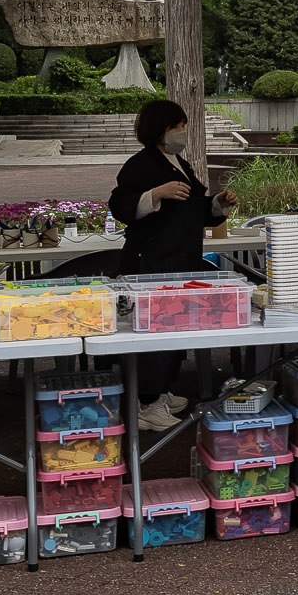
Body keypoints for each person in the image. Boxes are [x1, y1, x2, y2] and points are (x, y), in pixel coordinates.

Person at [108, 99, 238, 431]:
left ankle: (161, 391)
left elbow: (196, 208)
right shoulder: (139, 165)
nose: (182, 132)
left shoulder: (179, 161)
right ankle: (146, 403)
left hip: (181, 260)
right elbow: (121, 206)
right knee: (153, 332)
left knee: (175, 330)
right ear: (159, 130)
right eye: (176, 126)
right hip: (151, 261)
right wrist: (156, 193)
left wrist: (218, 205)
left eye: (183, 126)